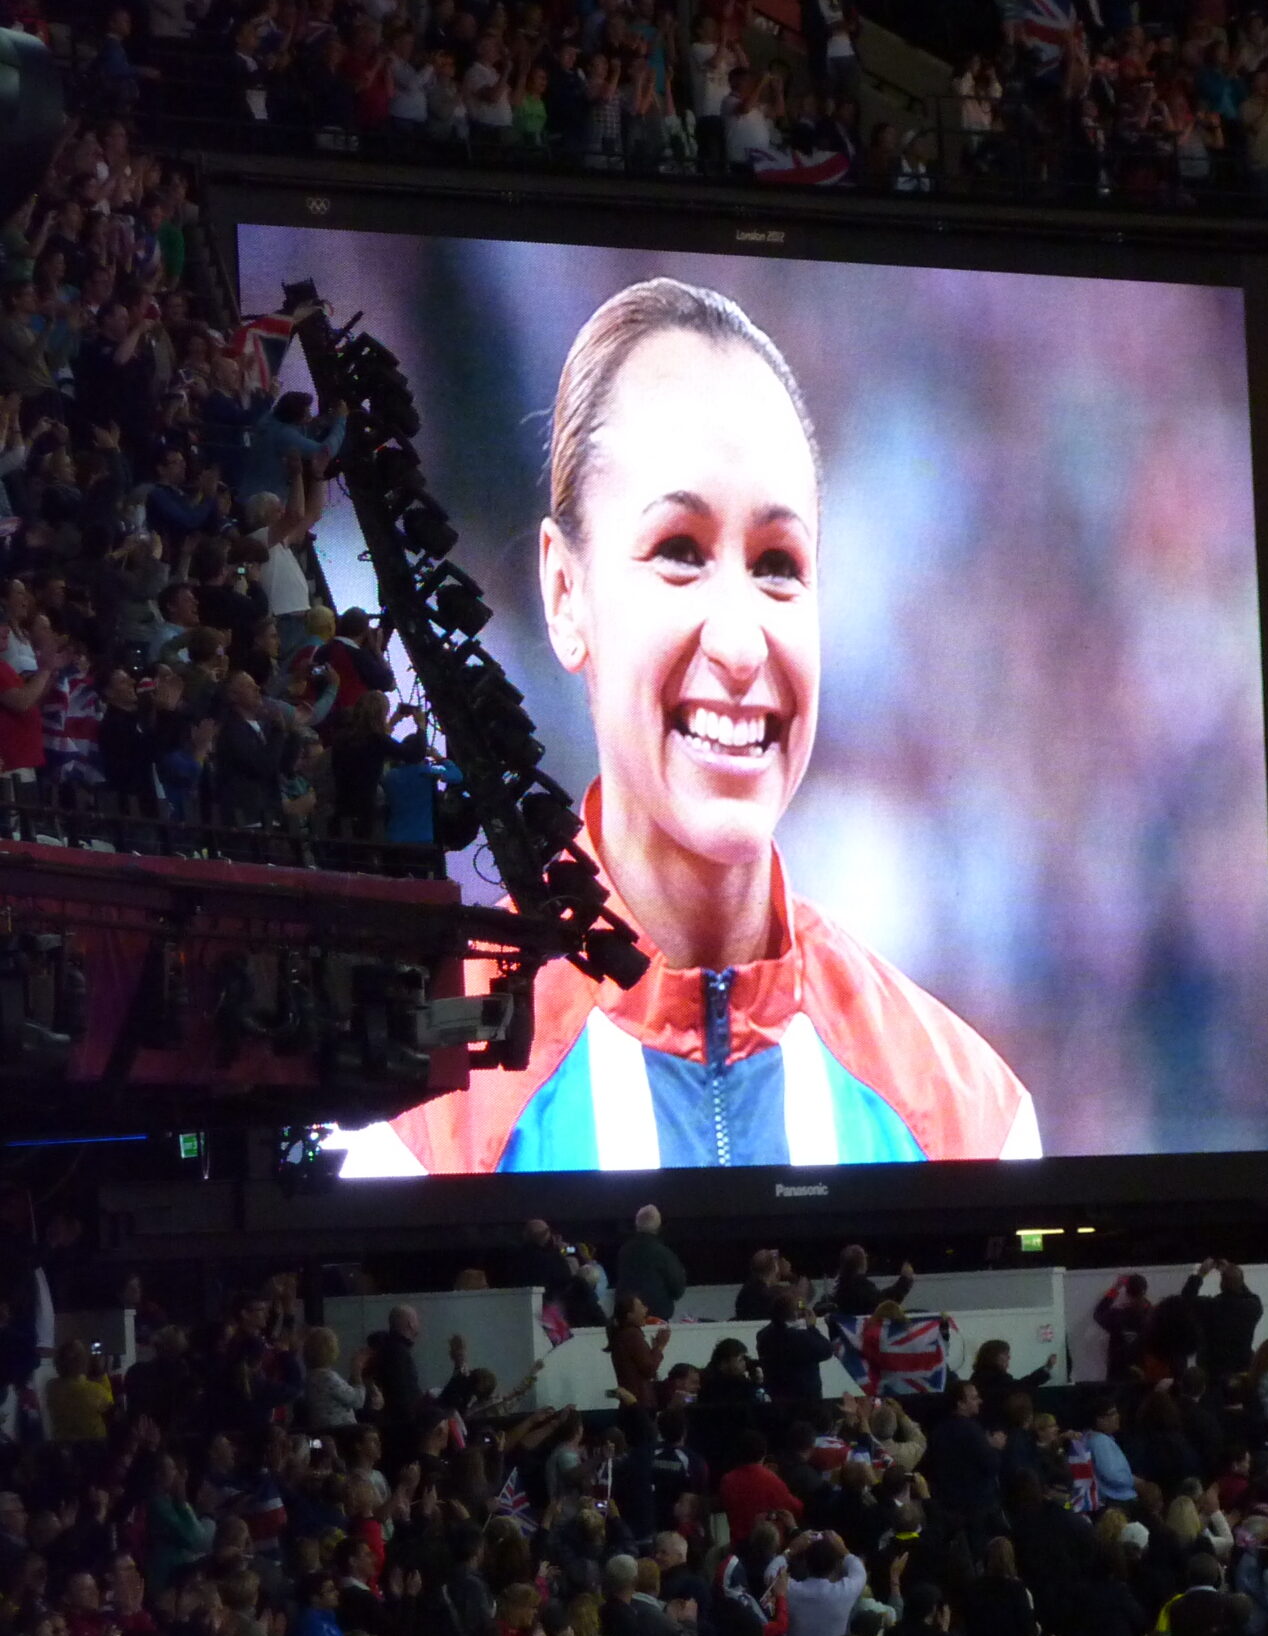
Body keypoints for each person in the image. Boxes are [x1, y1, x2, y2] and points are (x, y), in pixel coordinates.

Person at [347, 279, 1035, 1174]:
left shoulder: (968, 1117)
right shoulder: (416, 1113)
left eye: (780, 565)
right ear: (565, 593)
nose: (743, 642)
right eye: (679, 551)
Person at [615, 1204, 688, 1320]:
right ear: (658, 1225)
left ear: (637, 1224)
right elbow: (677, 1288)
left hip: (627, 1317)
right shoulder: (663, 1253)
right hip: (657, 1317)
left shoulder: (624, 1251)